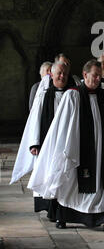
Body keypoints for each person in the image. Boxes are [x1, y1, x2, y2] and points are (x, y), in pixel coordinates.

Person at [27, 59, 104, 232]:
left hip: (102, 153)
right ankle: (63, 216)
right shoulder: (72, 95)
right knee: (71, 183)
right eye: (94, 76)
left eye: (99, 76)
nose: (97, 79)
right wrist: (65, 149)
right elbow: (63, 126)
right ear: (84, 74)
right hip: (77, 150)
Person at [10, 61, 70, 221]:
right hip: (46, 143)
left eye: (65, 74)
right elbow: (35, 119)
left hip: (65, 143)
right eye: (59, 73)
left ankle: (62, 210)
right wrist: (34, 143)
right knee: (47, 175)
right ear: (52, 75)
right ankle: (50, 208)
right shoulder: (44, 94)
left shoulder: (72, 94)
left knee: (63, 177)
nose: (62, 77)